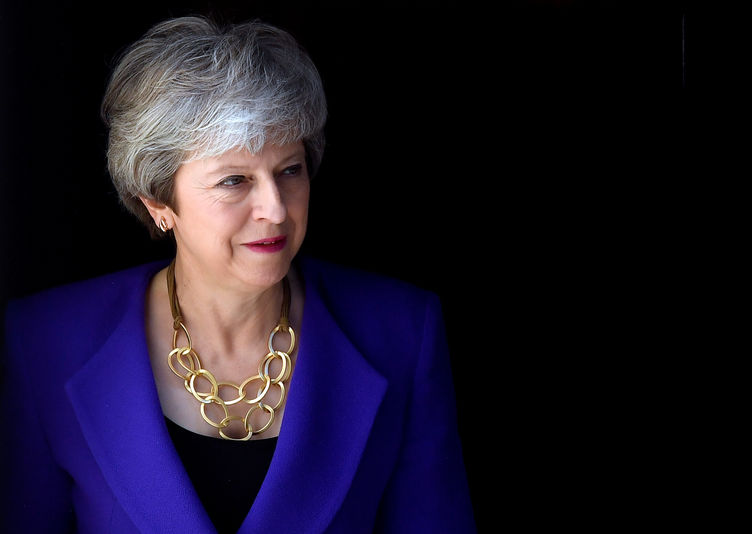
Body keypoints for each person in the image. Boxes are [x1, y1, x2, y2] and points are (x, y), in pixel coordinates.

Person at [1, 16, 475, 534]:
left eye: (290, 170)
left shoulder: (404, 331)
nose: (275, 208)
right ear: (158, 201)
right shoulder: (43, 341)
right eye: (234, 181)